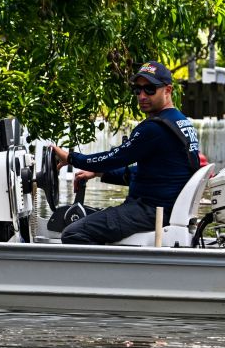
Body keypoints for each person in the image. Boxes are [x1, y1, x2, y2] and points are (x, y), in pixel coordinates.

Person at [51, 61, 201, 245]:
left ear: (168, 90)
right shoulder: (182, 123)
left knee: (73, 233)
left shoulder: (154, 129)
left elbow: (114, 158)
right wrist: (99, 173)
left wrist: (72, 158)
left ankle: (109, 274)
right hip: (164, 207)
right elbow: (153, 174)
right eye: (138, 90)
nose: (142, 96)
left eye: (150, 89)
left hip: (150, 211)